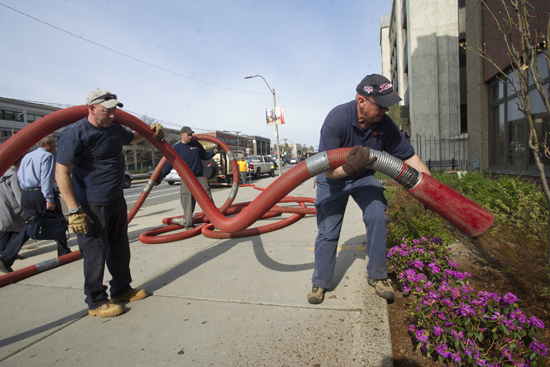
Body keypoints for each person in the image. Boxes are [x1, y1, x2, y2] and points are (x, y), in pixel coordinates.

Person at [307, 74, 430, 304]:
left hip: (364, 178)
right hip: (334, 179)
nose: (385, 110)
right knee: (328, 230)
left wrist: (432, 189)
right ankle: (320, 281)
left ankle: (378, 275)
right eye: (381, 105)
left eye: (387, 105)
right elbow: (326, 171)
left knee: (377, 216)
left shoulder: (385, 125)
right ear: (361, 101)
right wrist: (347, 169)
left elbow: (410, 157)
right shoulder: (337, 119)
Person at [55, 89, 164, 318]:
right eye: (107, 110)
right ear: (91, 108)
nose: (113, 115)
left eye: (115, 110)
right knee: (95, 252)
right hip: (91, 205)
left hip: (116, 200)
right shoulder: (75, 134)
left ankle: (121, 289)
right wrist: (73, 209)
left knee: (119, 246)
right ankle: (96, 302)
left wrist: (148, 131)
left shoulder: (114, 129)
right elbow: (62, 172)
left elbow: (132, 137)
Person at [17, 135, 72, 257]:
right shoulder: (47, 156)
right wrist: (49, 198)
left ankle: (7, 256)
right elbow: (45, 178)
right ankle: (63, 251)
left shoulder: (27, 156)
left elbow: (19, 176)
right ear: (47, 144)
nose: (55, 146)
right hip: (41, 193)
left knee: (29, 224)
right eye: (54, 143)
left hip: (26, 193)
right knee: (58, 220)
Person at [155, 126, 218, 230]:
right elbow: (169, 164)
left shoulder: (196, 145)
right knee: (187, 200)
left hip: (199, 176)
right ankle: (188, 224)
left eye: (191, 134)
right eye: (188, 134)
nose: (190, 136)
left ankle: (215, 221)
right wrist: (161, 176)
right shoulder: (176, 148)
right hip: (186, 178)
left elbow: (204, 157)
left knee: (207, 197)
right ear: (182, 135)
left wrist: (215, 151)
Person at [0, 156, 30, 273]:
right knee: (22, 230)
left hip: (3, 207)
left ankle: (7, 254)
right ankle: (6, 257)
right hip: (13, 208)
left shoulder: (3, 174)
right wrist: (25, 208)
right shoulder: (13, 175)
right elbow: (18, 193)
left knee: (6, 231)